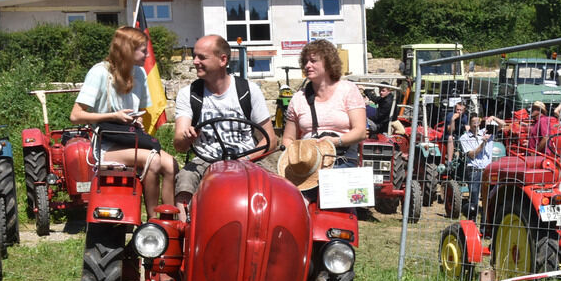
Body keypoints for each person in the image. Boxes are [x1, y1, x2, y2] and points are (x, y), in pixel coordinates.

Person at [71, 26, 177, 220]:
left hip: (130, 138)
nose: (147, 54)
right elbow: (76, 115)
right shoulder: (99, 73)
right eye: (143, 50)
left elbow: (140, 109)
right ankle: (153, 221)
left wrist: (135, 120)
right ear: (128, 49)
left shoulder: (139, 73)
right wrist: (114, 116)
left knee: (170, 164)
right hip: (106, 144)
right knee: (153, 160)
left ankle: (170, 220)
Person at [173, 34, 274, 219]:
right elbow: (179, 145)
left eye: (202, 57)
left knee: (277, 186)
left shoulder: (248, 91)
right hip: (206, 159)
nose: (195, 62)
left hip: (247, 158)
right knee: (185, 179)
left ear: (223, 60)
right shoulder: (189, 94)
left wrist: (247, 159)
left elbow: (270, 140)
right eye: (195, 56)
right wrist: (187, 137)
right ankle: (185, 233)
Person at [282, 39, 367, 167]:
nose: (307, 66)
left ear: (328, 63)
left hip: (342, 161)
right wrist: (296, 159)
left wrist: (335, 142)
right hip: (308, 166)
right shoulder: (298, 98)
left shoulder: (348, 90)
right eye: (305, 62)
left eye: (313, 61)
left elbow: (360, 132)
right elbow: (288, 139)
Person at [458, 114, 495, 221]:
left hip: (487, 170)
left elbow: (503, 125)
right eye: (473, 122)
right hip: (474, 171)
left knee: (487, 200)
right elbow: (472, 155)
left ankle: (485, 227)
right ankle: (472, 224)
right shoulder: (464, 138)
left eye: (477, 122)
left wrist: (494, 118)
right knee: (474, 199)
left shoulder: (486, 132)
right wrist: (483, 142)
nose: (475, 124)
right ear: (469, 124)